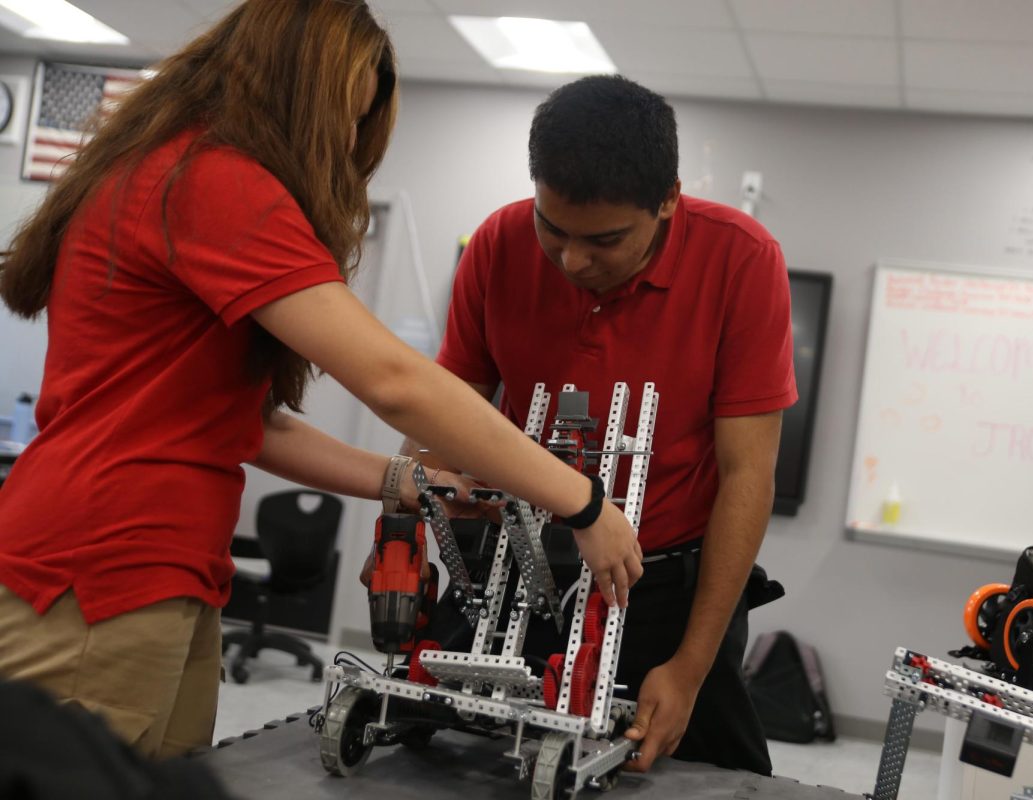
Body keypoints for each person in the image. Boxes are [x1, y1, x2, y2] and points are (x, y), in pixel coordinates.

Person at [0, 0, 641, 761]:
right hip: (101, 569)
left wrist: (408, 480)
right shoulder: (210, 181)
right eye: (344, 115)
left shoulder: (165, 169)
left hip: (157, 571)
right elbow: (393, 380)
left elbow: (249, 423)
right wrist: (580, 500)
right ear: (294, 91)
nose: (345, 141)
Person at [404, 75, 797, 775]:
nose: (573, 261)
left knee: (711, 775)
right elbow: (444, 412)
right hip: (518, 568)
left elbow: (748, 475)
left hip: (661, 590)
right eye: (552, 229)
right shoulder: (498, 243)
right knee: (448, 761)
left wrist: (690, 666)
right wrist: (425, 502)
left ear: (668, 199)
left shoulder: (742, 259)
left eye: (605, 240)